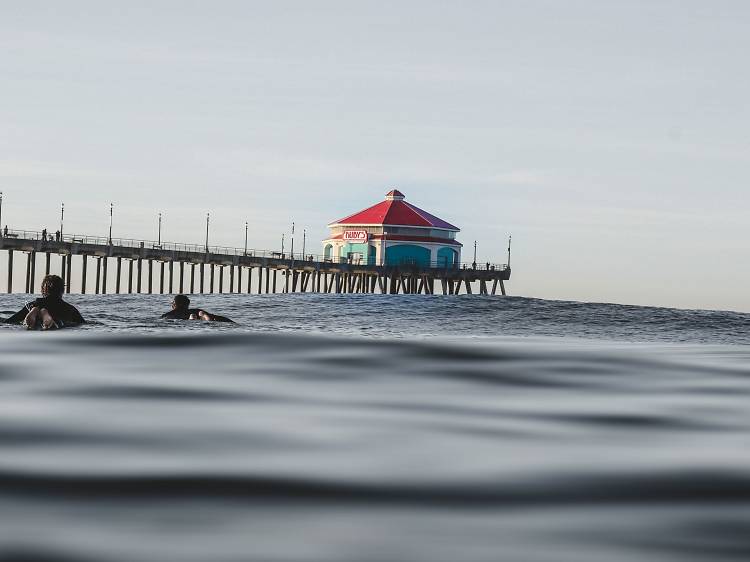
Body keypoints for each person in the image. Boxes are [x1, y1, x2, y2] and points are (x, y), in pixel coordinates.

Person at [2, 275, 85, 329]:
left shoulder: (31, 305)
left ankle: (37, 312)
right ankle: (45, 314)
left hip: (37, 306)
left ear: (42, 290)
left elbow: (9, 321)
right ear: (62, 290)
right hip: (57, 322)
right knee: (58, 323)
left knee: (29, 324)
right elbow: (83, 324)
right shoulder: (70, 309)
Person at [161, 295, 233, 322]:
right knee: (202, 315)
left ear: (175, 305)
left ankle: (192, 319)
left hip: (178, 320)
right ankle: (195, 319)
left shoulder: (168, 315)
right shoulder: (196, 311)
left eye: (173, 303)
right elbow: (217, 318)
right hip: (200, 318)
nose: (172, 305)